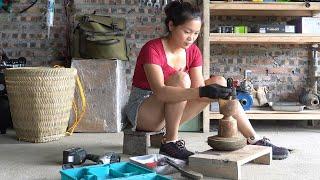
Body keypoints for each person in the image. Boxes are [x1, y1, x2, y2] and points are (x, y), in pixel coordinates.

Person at [124, 0, 289, 161]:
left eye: (196, 33)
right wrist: (202, 91)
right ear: (171, 26)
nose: (191, 38)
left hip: (169, 113)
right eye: (187, 32)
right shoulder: (152, 49)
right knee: (181, 79)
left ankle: (254, 139)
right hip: (143, 110)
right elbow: (160, 92)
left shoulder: (193, 51)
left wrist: (217, 92)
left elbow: (198, 90)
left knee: (219, 81)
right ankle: (170, 143)